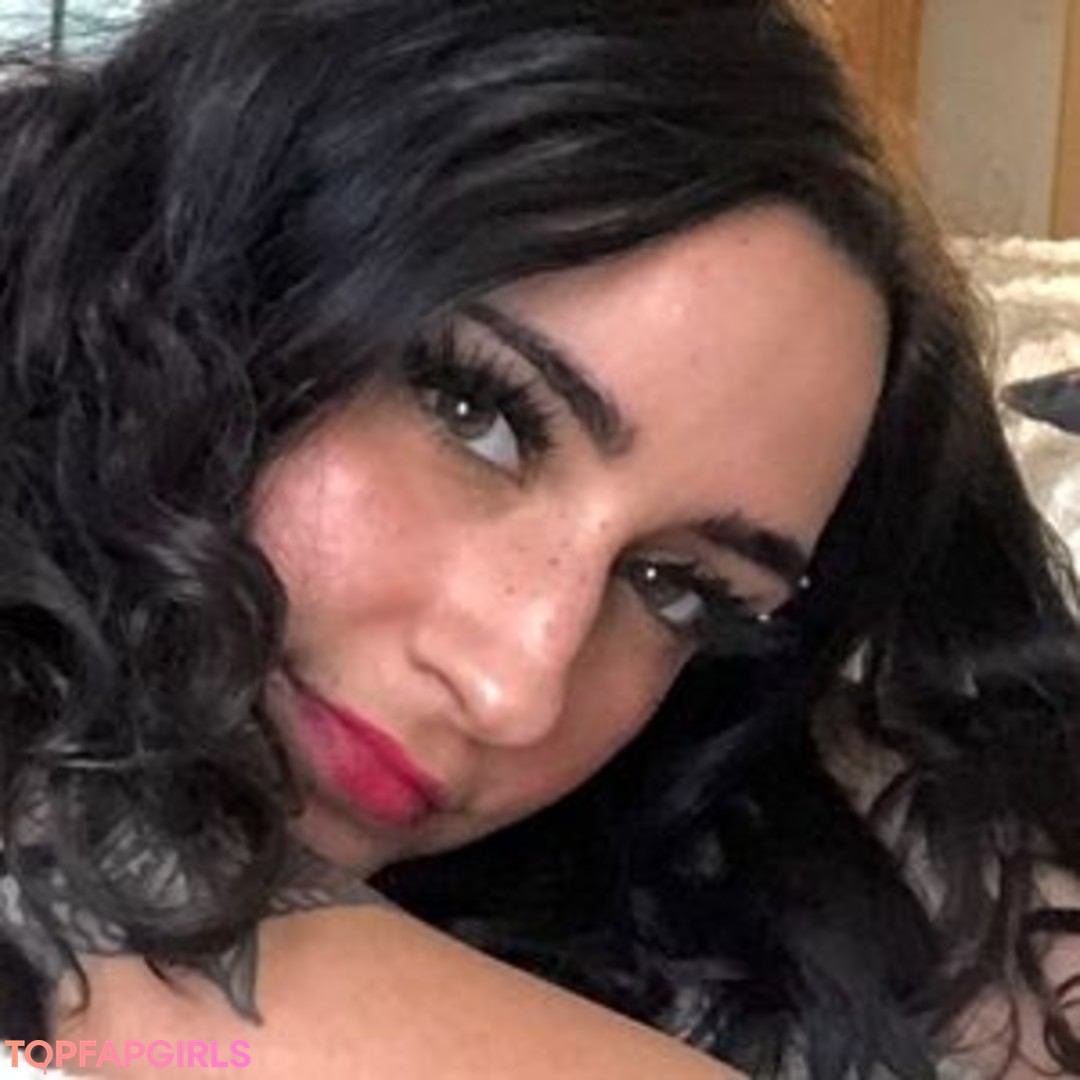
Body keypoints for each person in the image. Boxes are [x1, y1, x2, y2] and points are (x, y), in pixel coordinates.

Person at [2, 1, 1079, 1077]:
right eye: (476, 415)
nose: (515, 690)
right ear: (214, 264)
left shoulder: (674, 834)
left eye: (676, 586)